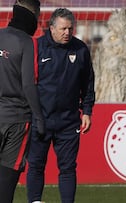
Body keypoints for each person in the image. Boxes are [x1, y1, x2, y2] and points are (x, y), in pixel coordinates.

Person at [26, 8, 95, 203]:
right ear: (52, 28)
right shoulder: (36, 48)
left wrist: (87, 111)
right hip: (40, 119)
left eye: (70, 29)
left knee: (68, 167)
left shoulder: (80, 49)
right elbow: (26, 83)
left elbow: (88, 84)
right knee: (36, 165)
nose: (67, 33)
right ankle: (35, 201)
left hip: (68, 121)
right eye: (63, 28)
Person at [0, 0, 44, 202]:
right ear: (34, 16)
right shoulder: (27, 42)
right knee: (7, 182)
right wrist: (39, 117)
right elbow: (29, 84)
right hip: (17, 120)